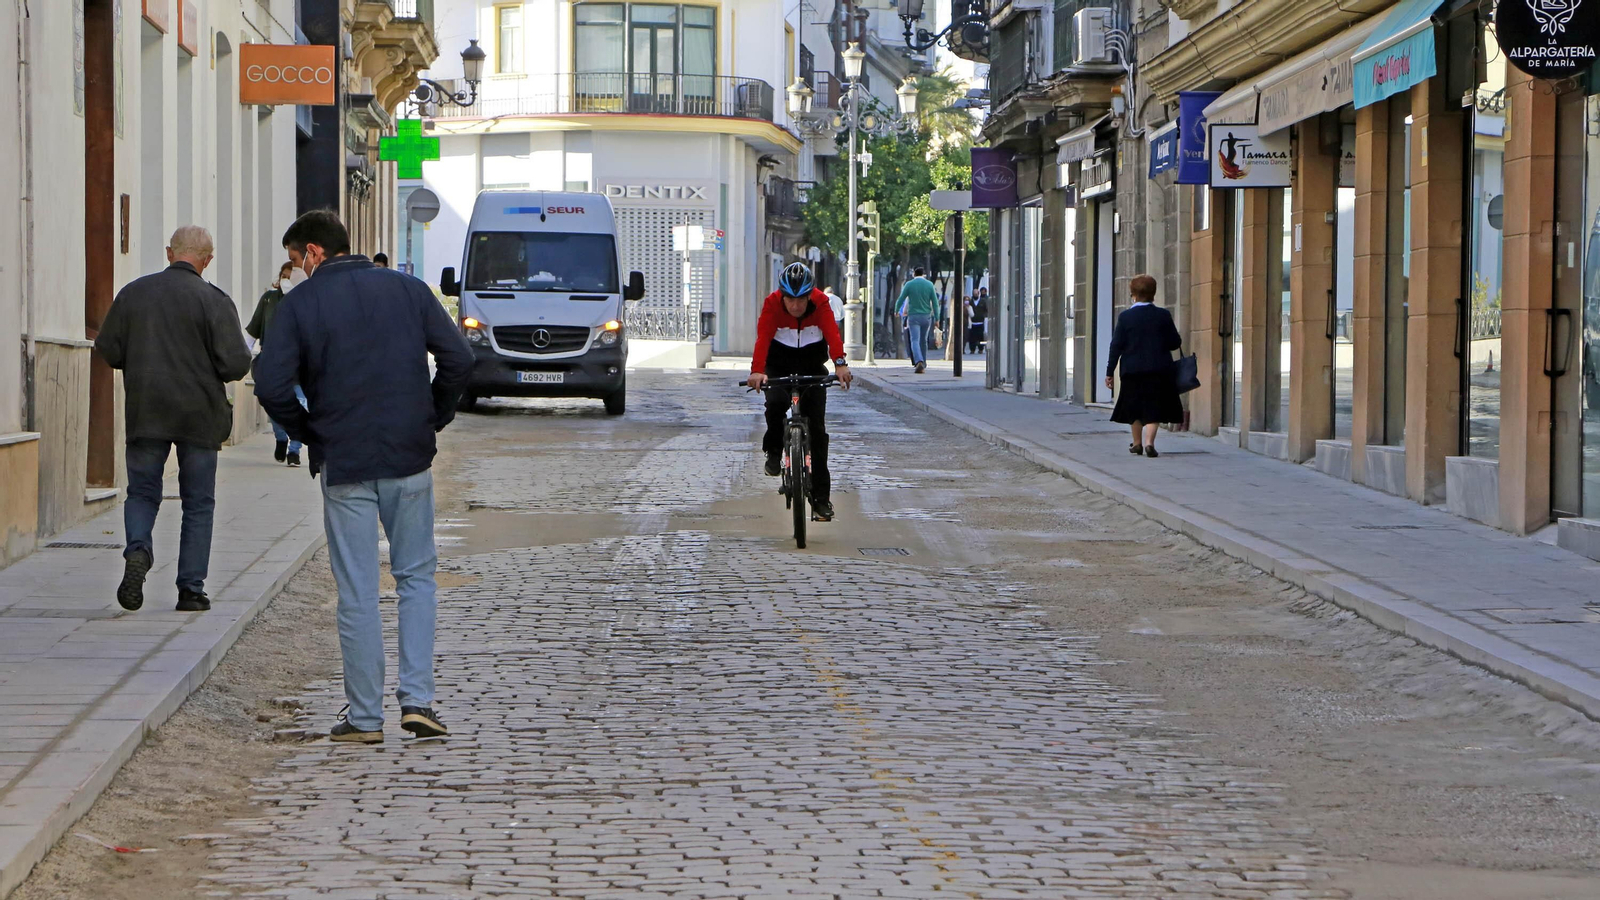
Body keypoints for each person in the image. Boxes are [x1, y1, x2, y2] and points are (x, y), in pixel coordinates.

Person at [255, 210, 474, 744]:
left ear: (313, 252)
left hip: (345, 460)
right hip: (408, 455)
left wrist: (308, 432)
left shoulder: (301, 303)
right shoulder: (409, 290)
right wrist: (432, 416)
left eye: (295, 260)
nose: (296, 271)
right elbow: (460, 359)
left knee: (357, 589)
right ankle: (418, 699)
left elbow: (270, 383)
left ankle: (365, 717)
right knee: (417, 578)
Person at [94, 225, 253, 613]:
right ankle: (190, 590)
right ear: (207, 260)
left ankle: (138, 551)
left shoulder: (133, 294)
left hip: (146, 410)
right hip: (199, 416)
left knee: (142, 492)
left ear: (170, 253)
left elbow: (110, 350)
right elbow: (235, 363)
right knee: (198, 502)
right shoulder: (214, 301)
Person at [747, 262, 852, 522]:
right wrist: (757, 371)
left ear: (809, 296)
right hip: (777, 363)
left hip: (811, 364)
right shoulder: (772, 304)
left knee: (817, 432)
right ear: (782, 296)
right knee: (774, 405)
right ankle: (773, 451)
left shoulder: (822, 303)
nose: (795, 306)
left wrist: (840, 364)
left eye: (801, 301)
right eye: (790, 300)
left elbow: (832, 334)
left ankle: (820, 501)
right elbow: (762, 337)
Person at [1105, 274, 1184, 458]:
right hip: (1159, 369)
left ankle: (1137, 443)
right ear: (1153, 294)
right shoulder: (1163, 315)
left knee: (1134, 406)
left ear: (1133, 294)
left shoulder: (1125, 317)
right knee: (1154, 406)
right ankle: (1150, 443)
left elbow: (1115, 346)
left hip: (1132, 370)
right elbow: (1175, 342)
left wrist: (1109, 372)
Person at [246, 261, 305, 467]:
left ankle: (294, 450)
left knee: (300, 404)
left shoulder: (305, 302)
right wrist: (244, 354)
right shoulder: (269, 300)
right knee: (272, 404)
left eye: (291, 277)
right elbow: (254, 330)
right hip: (271, 362)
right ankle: (281, 437)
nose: (286, 281)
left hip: (298, 365)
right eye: (284, 276)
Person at [896, 267, 938, 373]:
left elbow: (901, 298)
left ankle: (918, 360)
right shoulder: (929, 285)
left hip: (913, 316)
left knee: (914, 340)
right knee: (923, 340)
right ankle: (923, 362)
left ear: (914, 274)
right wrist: (937, 318)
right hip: (926, 316)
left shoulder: (909, 285)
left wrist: (897, 310)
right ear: (924, 274)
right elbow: (935, 302)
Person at [968, 290, 988, 354]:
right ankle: (972, 349)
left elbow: (986, 310)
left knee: (980, 337)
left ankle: (981, 349)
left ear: (978, 294)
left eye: (976, 294)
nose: (975, 295)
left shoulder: (983, 301)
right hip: (972, 322)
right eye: (974, 294)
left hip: (980, 322)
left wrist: (984, 316)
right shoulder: (970, 302)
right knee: (972, 337)